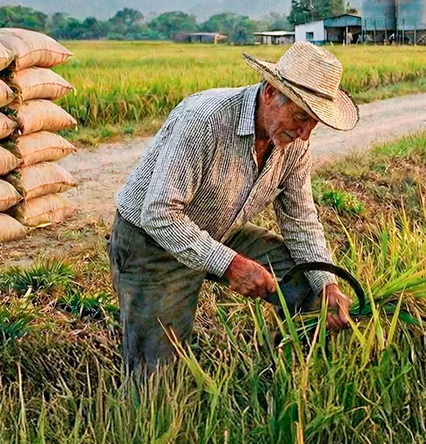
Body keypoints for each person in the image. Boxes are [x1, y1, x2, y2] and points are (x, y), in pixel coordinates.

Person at [110, 41, 359, 376]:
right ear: (271, 92)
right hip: (153, 241)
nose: (304, 132)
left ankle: (291, 376)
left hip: (220, 228)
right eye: (301, 116)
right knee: (157, 372)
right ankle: (144, 415)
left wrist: (327, 282)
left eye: (314, 122)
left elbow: (300, 219)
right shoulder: (207, 120)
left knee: (310, 288)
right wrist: (231, 264)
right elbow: (159, 214)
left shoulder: (294, 142)